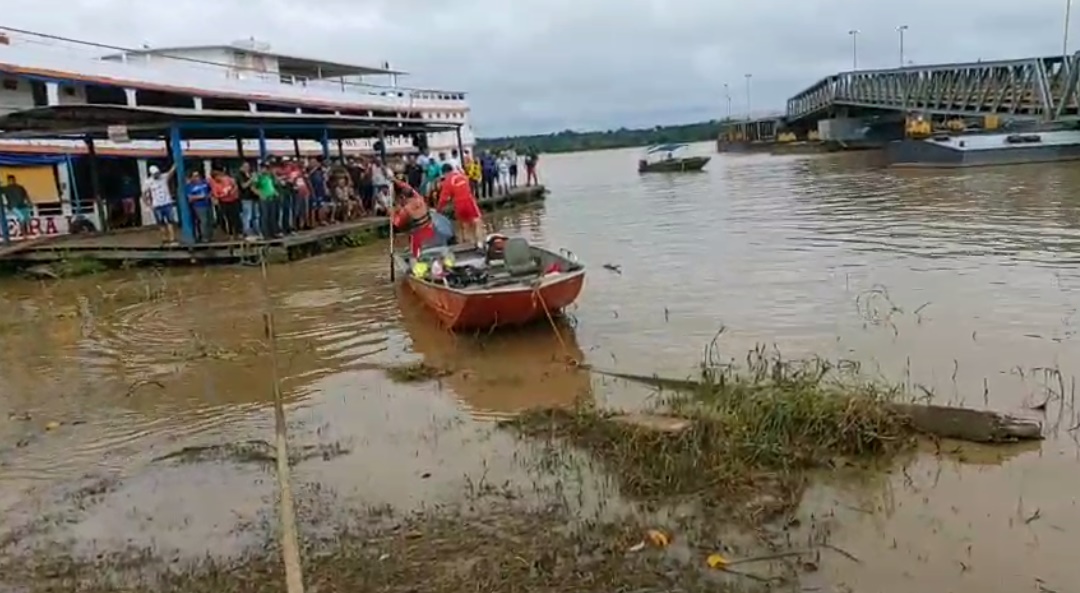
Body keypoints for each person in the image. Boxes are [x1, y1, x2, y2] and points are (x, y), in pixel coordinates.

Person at [392, 179, 444, 257]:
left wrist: (393, 213)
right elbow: (409, 188)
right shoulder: (420, 199)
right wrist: (396, 180)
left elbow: (397, 223)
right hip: (431, 231)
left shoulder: (406, 210)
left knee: (417, 256)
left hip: (418, 236)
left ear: (403, 198)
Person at [437, 163, 484, 247]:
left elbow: (443, 199)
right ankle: (479, 243)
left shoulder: (447, 181)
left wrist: (438, 210)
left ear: (444, 173)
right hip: (469, 201)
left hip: (458, 203)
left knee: (464, 225)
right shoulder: (462, 175)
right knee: (477, 221)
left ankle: (469, 244)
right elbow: (469, 186)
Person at [142, 163, 178, 244]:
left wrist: (176, 164)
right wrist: (148, 204)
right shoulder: (148, 182)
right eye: (155, 174)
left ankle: (172, 238)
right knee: (161, 223)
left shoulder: (164, 177)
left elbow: (171, 172)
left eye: (158, 173)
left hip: (167, 203)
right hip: (157, 205)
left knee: (170, 221)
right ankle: (164, 238)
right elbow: (144, 193)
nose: (157, 175)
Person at [209, 168, 241, 239]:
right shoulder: (215, 184)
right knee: (227, 218)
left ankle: (238, 232)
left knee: (236, 217)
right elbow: (216, 194)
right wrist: (224, 194)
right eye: (217, 177)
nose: (219, 178)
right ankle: (230, 233)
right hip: (224, 202)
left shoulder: (228, 179)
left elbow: (235, 186)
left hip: (233, 200)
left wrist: (233, 191)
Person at [254, 160, 281, 238]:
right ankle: (265, 233)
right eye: (264, 168)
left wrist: (275, 192)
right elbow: (253, 187)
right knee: (265, 216)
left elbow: (273, 185)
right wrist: (260, 194)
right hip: (264, 199)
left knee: (272, 216)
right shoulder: (258, 177)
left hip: (272, 197)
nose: (266, 170)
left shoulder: (269, 176)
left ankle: (273, 232)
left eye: (267, 168)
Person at [186, 170, 213, 243]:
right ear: (192, 178)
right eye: (195, 176)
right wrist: (200, 197)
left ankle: (210, 236)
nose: (197, 177)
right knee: (203, 221)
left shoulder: (205, 183)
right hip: (199, 206)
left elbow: (211, 190)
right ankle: (204, 237)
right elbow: (190, 197)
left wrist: (210, 194)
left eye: (198, 175)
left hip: (208, 204)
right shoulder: (190, 186)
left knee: (209, 220)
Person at [237, 161, 260, 241]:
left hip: (254, 197)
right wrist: (251, 179)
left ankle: (256, 232)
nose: (247, 168)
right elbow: (243, 186)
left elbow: (254, 185)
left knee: (256, 216)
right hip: (245, 198)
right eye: (245, 166)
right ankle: (247, 233)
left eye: (248, 166)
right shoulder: (239, 175)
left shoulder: (249, 174)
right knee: (247, 216)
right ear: (241, 167)